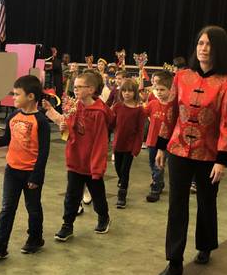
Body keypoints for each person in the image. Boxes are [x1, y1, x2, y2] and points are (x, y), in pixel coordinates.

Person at [155, 26, 227, 275]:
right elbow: (169, 111)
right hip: (179, 150)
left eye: (209, 44)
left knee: (206, 201)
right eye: (200, 43)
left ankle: (205, 244)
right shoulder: (181, 77)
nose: (203, 48)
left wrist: (222, 161)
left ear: (219, 49)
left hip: (209, 154)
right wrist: (161, 145)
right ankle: (174, 260)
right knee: (176, 205)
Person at [0, 75, 50, 259]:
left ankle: (35, 238)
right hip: (12, 170)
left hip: (31, 173)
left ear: (30, 96)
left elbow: (44, 153)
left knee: (33, 208)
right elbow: (7, 139)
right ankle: (0, 245)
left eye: (16, 94)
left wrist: (36, 177)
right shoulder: (13, 116)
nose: (13, 98)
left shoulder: (41, 122)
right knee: (7, 208)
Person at [44, 71, 114, 241]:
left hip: (92, 165)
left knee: (98, 195)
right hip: (76, 161)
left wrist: (97, 167)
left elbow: (100, 142)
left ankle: (103, 217)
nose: (74, 90)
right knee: (71, 196)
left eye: (78, 87)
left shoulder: (98, 113)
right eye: (74, 87)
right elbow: (68, 127)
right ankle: (67, 225)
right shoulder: (75, 106)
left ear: (91, 89)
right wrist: (52, 113)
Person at [110, 78, 145, 209]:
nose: (127, 93)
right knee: (118, 168)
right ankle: (122, 182)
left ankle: (122, 194)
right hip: (118, 144)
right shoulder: (118, 107)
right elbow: (112, 124)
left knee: (125, 170)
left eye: (130, 91)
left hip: (130, 146)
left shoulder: (139, 110)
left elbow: (140, 131)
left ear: (135, 92)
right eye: (124, 91)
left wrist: (136, 148)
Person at [143, 71, 174, 203]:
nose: (159, 92)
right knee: (152, 163)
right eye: (157, 89)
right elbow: (142, 114)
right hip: (151, 140)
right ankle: (159, 182)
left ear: (170, 90)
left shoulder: (172, 107)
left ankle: (155, 188)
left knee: (158, 164)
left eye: (163, 89)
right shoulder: (153, 104)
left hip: (166, 143)